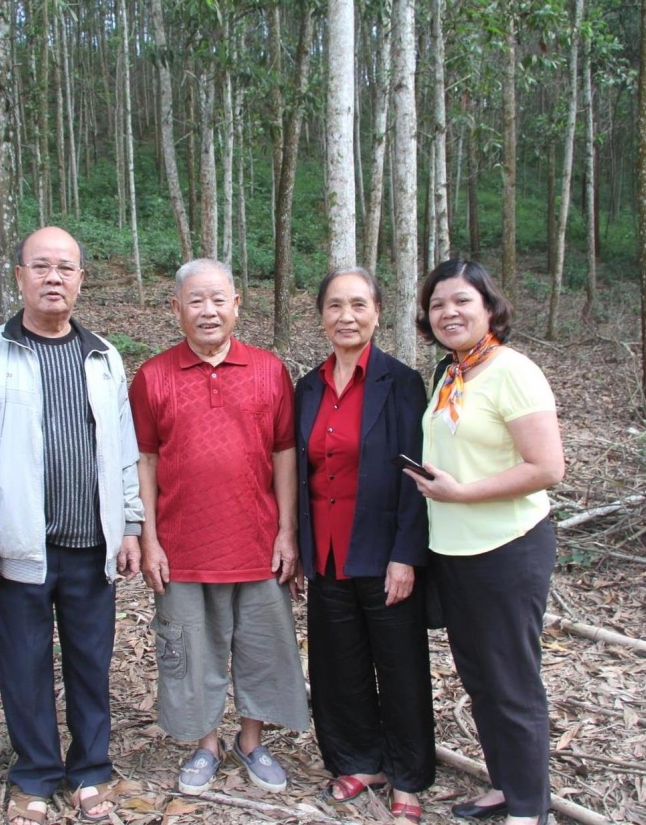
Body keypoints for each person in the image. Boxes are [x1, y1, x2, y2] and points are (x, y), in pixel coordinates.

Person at [0, 227, 144, 825]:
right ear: (20, 276)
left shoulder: (103, 356)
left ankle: (90, 770)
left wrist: (131, 524)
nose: (53, 277)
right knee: (24, 664)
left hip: (93, 547)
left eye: (66, 267)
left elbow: (122, 452)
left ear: (82, 279)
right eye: (41, 266)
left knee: (91, 663)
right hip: (18, 547)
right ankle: (34, 775)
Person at [130, 258, 309, 797]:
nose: (207, 311)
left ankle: (251, 741)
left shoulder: (268, 370)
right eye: (195, 301)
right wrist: (149, 539)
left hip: (257, 541)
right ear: (176, 309)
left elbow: (283, 452)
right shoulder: (154, 375)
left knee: (263, 647)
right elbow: (144, 459)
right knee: (191, 651)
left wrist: (287, 532)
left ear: (237, 304)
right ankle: (205, 742)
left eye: (218, 299)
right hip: (182, 545)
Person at [406, 259, 565, 825]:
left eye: (461, 302)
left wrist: (463, 494)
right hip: (455, 550)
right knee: (480, 677)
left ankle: (530, 807)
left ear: (489, 307)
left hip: (507, 547)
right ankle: (508, 784)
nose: (448, 313)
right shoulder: (452, 373)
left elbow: (547, 467)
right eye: (437, 304)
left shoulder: (511, 371)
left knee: (511, 680)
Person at [294, 267, 434, 824]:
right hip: (326, 552)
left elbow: (417, 476)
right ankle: (357, 760)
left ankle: (407, 776)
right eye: (334, 306)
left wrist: (407, 554)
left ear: (377, 311)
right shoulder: (308, 386)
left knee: (399, 665)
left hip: (383, 551)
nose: (345, 317)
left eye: (357, 305)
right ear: (322, 315)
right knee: (337, 665)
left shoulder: (401, 383)